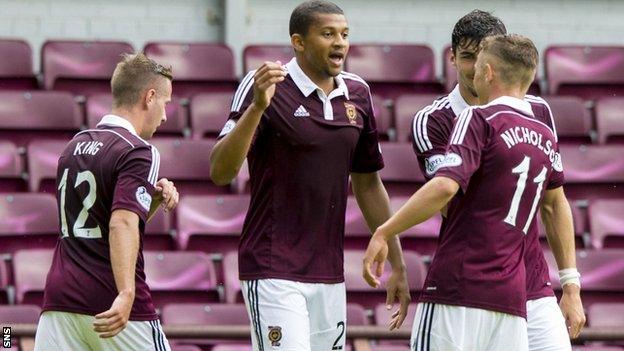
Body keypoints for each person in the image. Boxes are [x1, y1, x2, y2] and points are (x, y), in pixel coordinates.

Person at [209, 1, 410, 349]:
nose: (340, 43)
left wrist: (398, 262)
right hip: (273, 269)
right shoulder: (264, 85)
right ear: (298, 42)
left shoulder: (359, 94)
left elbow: (368, 184)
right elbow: (220, 171)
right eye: (328, 34)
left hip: (330, 273)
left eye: (344, 35)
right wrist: (258, 107)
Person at [364, 34, 577, 351]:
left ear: (488, 72)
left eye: (478, 65)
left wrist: (385, 230)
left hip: (460, 284)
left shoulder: (477, 117)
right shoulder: (543, 132)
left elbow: (445, 188)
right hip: (511, 297)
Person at [34, 53, 179, 351]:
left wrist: (148, 202)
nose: (165, 115)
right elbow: (121, 222)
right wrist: (126, 293)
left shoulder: (73, 146)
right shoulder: (139, 151)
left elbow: (99, 219)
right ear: (149, 97)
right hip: (112, 302)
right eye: (165, 103)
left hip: (60, 302)